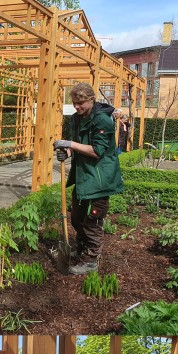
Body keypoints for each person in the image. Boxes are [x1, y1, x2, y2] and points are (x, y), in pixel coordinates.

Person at [54, 82, 124, 275]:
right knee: (77, 219)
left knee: (92, 221)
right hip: (83, 177)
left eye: (81, 103)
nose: (77, 107)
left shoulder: (103, 121)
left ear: (92, 100)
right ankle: (82, 249)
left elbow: (97, 151)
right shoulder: (75, 118)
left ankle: (91, 260)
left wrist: (70, 144)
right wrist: (67, 152)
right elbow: (78, 144)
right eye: (74, 103)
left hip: (100, 179)